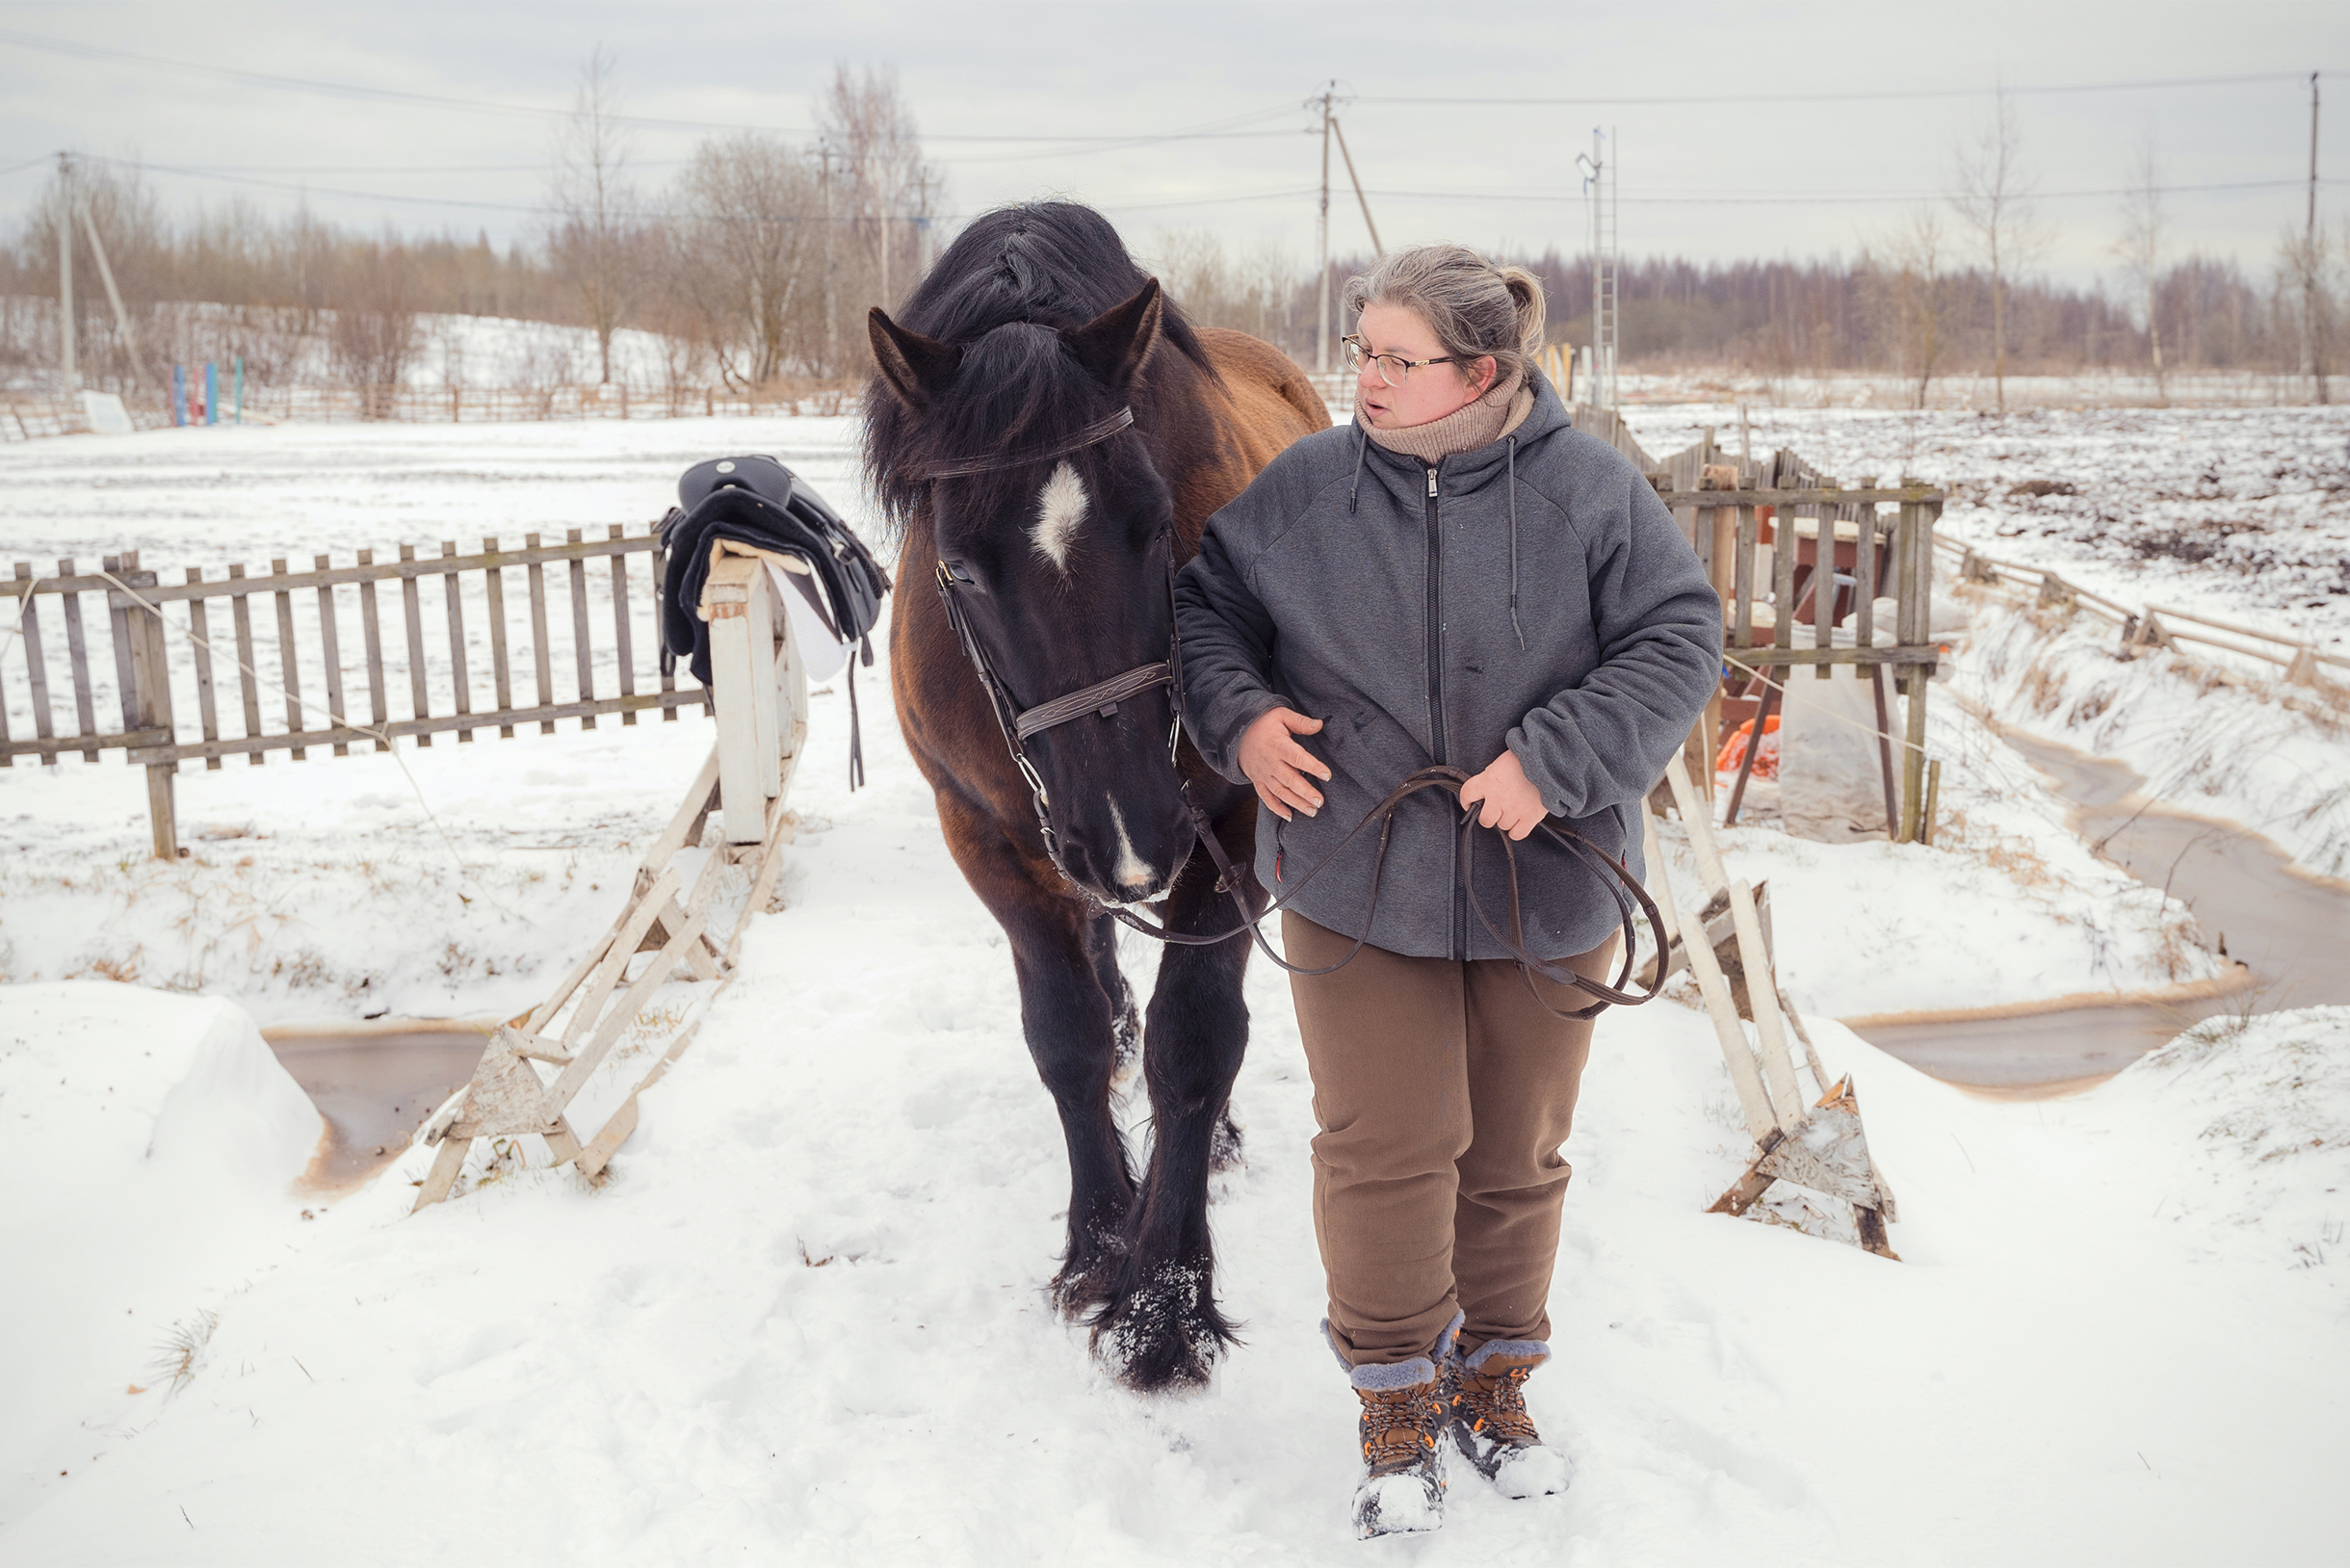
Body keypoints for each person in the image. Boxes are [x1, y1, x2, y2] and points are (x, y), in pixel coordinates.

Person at [1173, 245, 1721, 1537]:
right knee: (1384, 1148)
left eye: (1392, 358)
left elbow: (1680, 633)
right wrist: (1243, 721)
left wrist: (1559, 757)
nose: (1361, 377)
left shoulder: (1590, 491)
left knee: (1515, 1153)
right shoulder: (1305, 489)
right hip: (1358, 876)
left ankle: (1497, 1380)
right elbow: (1206, 617)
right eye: (1358, 349)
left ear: (1481, 374)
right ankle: (1395, 1406)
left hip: (1550, 881)